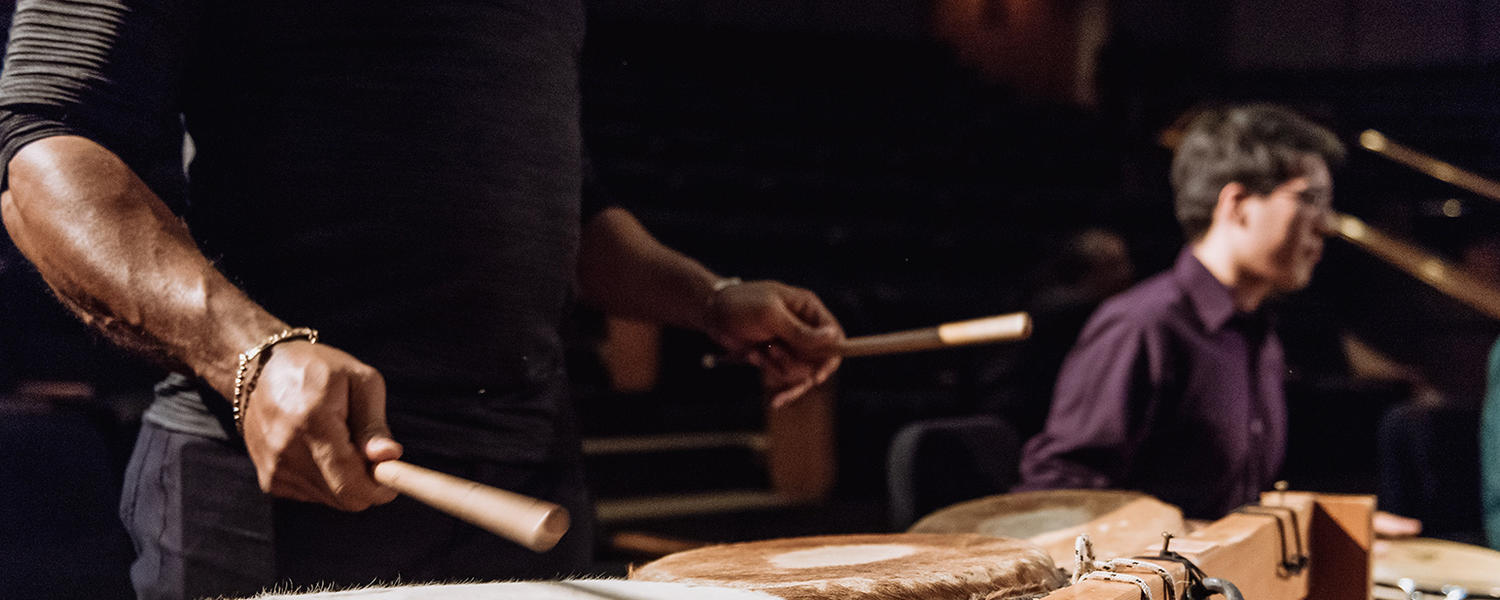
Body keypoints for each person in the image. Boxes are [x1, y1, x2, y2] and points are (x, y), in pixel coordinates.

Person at [0, 2, 843, 599]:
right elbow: (45, 148)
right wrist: (249, 353)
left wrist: (711, 298)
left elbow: (568, 210)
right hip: (280, 491)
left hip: (528, 473)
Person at [1014, 104, 1342, 520]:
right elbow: (1059, 493)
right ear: (1237, 203)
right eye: (1310, 199)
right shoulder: (1143, 326)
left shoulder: (1257, 331)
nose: (1325, 225)